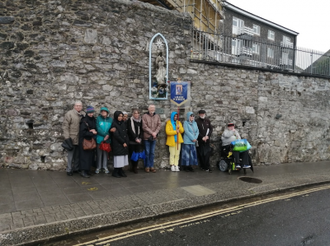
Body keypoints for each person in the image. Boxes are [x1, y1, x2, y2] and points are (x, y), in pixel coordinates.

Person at [62, 101, 85, 176]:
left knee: (78, 155)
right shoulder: (69, 114)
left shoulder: (83, 114)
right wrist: (67, 137)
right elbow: (65, 126)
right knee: (70, 155)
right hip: (71, 138)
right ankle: (69, 169)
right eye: (77, 105)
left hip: (80, 138)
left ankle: (76, 168)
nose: (78, 107)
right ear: (74, 106)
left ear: (81, 107)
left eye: (80, 106)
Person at [142, 104, 161, 173]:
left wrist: (155, 133)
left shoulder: (157, 116)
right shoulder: (144, 116)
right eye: (151, 108)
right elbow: (144, 126)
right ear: (148, 109)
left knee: (152, 153)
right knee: (147, 152)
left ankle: (151, 166)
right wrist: (151, 132)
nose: (152, 110)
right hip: (147, 137)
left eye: (153, 108)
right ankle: (147, 166)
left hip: (154, 137)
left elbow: (159, 125)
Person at [79, 106, 97, 178]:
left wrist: (94, 130)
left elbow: (95, 128)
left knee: (90, 157)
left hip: (90, 141)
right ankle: (83, 171)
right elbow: (83, 132)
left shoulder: (93, 120)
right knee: (84, 157)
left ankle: (88, 170)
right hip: (84, 141)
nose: (91, 114)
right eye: (89, 113)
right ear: (87, 112)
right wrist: (92, 133)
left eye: (92, 112)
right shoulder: (84, 120)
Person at [111, 111, 129, 178]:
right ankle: (116, 171)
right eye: (119, 116)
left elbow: (125, 133)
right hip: (118, 144)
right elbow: (116, 135)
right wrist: (123, 142)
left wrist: (126, 141)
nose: (120, 117)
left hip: (123, 143)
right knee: (118, 159)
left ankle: (120, 170)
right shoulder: (114, 124)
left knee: (122, 158)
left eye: (121, 116)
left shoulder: (123, 123)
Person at [95, 107, 112, 174]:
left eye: (104, 111)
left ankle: (105, 167)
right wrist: (105, 135)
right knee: (99, 154)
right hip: (100, 139)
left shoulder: (110, 120)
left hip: (107, 140)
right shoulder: (98, 119)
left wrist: (108, 135)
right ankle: (98, 167)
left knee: (105, 154)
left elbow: (111, 128)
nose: (103, 113)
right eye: (102, 111)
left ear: (107, 112)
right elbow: (98, 128)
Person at [127, 109, 144, 174]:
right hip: (132, 140)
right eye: (135, 113)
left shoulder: (140, 121)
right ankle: (132, 166)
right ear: (133, 114)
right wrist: (135, 138)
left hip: (138, 140)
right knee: (132, 154)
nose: (136, 115)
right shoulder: (130, 120)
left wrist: (140, 138)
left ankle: (135, 167)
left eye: (137, 113)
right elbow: (130, 130)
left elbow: (142, 130)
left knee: (137, 154)